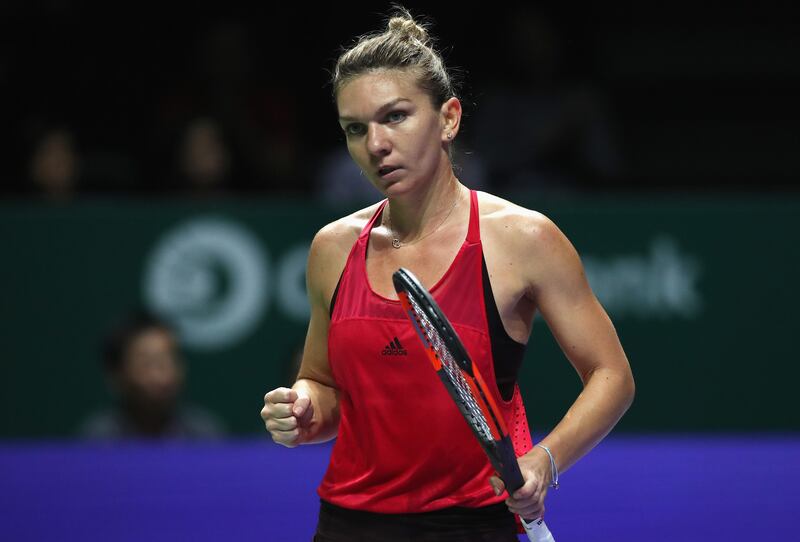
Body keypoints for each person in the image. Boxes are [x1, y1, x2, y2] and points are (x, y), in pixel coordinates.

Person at [260, 6, 635, 541]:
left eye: (395, 116)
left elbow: (612, 376)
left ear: (449, 119)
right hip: (348, 526)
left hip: (474, 526)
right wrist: (301, 410)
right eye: (354, 129)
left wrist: (546, 462)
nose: (376, 145)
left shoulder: (522, 239)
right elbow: (324, 388)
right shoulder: (332, 248)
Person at [80, 309, 226, 439]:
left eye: (170, 359)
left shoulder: (204, 435)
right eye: (148, 362)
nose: (164, 375)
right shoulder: (99, 439)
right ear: (117, 374)